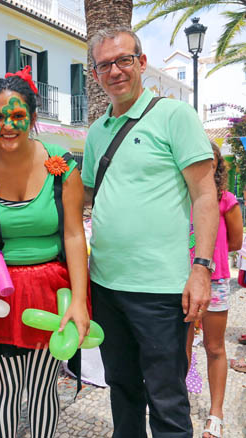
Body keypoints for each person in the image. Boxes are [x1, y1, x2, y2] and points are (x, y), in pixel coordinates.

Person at [82, 27, 218, 438]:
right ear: (95, 73)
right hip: (105, 284)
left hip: (161, 291)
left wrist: (202, 269)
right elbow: (86, 197)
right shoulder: (95, 132)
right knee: (121, 389)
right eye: (105, 64)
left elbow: (205, 195)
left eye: (124, 60)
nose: (115, 71)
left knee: (167, 399)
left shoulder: (175, 116)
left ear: (142, 63)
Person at [0, 67, 90, 438]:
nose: (8, 125)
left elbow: (74, 235)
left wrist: (79, 301)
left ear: (32, 118)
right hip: (0, 296)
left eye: (18, 116)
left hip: (54, 293)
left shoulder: (61, 165)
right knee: (7, 386)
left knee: (44, 385)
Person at [185, 142, 242, 438]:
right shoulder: (180, 197)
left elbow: (234, 242)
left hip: (215, 281)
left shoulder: (226, 200)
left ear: (216, 165)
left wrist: (211, 261)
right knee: (179, 345)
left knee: (215, 347)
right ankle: (177, 403)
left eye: (208, 160)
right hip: (179, 281)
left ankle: (216, 414)